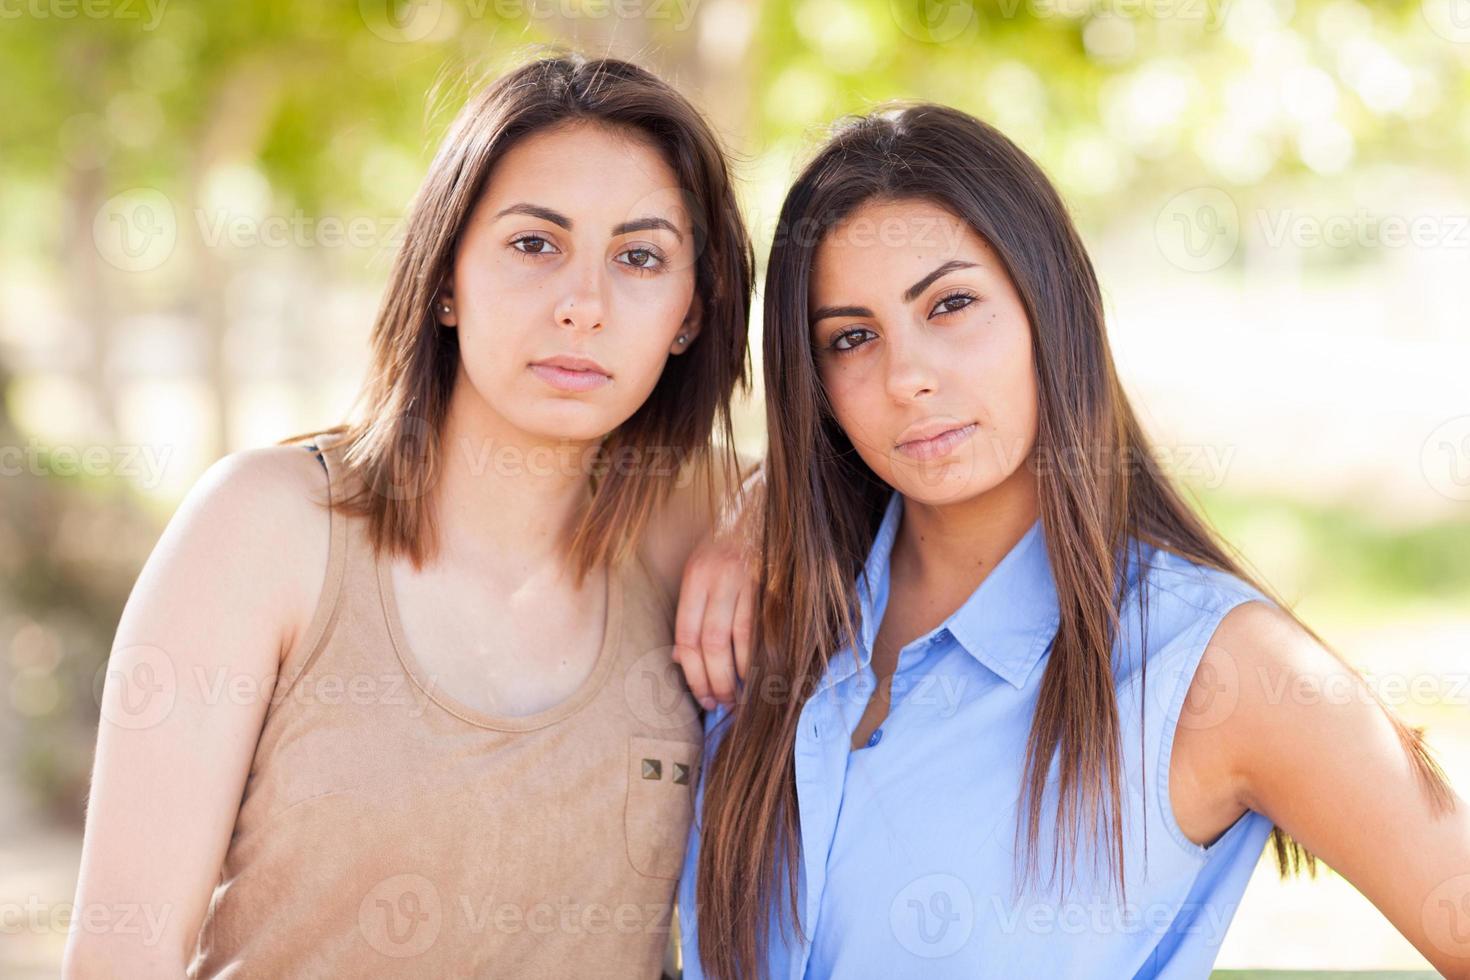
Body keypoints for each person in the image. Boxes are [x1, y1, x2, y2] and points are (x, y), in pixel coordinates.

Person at [675, 103, 1470, 979]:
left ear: (1050, 303)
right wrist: (758, 505)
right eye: (852, 338)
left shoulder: (1220, 667)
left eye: (952, 304)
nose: (907, 377)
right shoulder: (761, 613)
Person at [64, 53, 759, 979]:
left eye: (639, 257)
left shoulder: (691, 526)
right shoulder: (266, 529)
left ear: (689, 316)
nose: (583, 306)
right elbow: (118, 960)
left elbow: (880, 459)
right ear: (444, 279)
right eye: (533, 244)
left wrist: (759, 512)